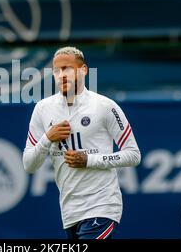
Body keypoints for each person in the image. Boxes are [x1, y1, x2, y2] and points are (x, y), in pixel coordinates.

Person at [22, 46, 141, 239]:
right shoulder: (42, 109)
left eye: (67, 68)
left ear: (83, 70)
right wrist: (47, 139)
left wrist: (89, 160)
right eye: (56, 70)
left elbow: (133, 154)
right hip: (70, 211)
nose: (61, 75)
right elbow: (28, 164)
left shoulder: (105, 106)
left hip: (102, 205)